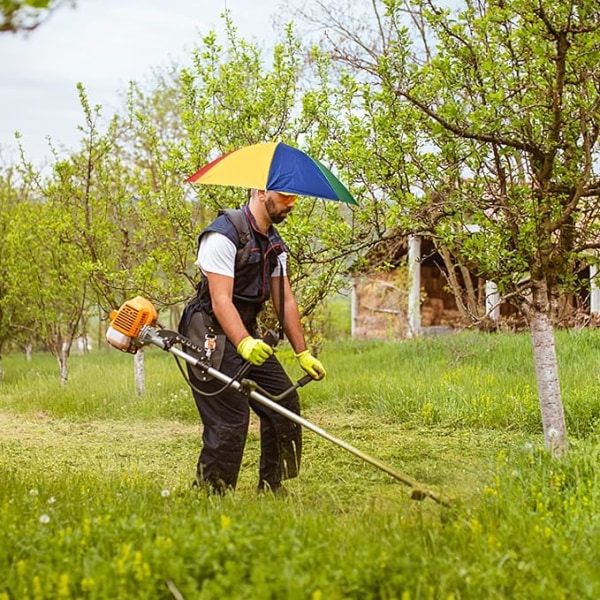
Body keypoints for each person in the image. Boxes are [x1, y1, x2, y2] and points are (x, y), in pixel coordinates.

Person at [181, 188, 326, 496]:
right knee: (230, 417)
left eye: (294, 198)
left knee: (284, 401)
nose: (292, 204)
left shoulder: (275, 245)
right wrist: (244, 342)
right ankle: (210, 495)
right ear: (261, 193)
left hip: (244, 330)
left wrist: (303, 353)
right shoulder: (222, 235)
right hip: (208, 333)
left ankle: (273, 487)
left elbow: (284, 301)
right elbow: (221, 300)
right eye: (286, 196)